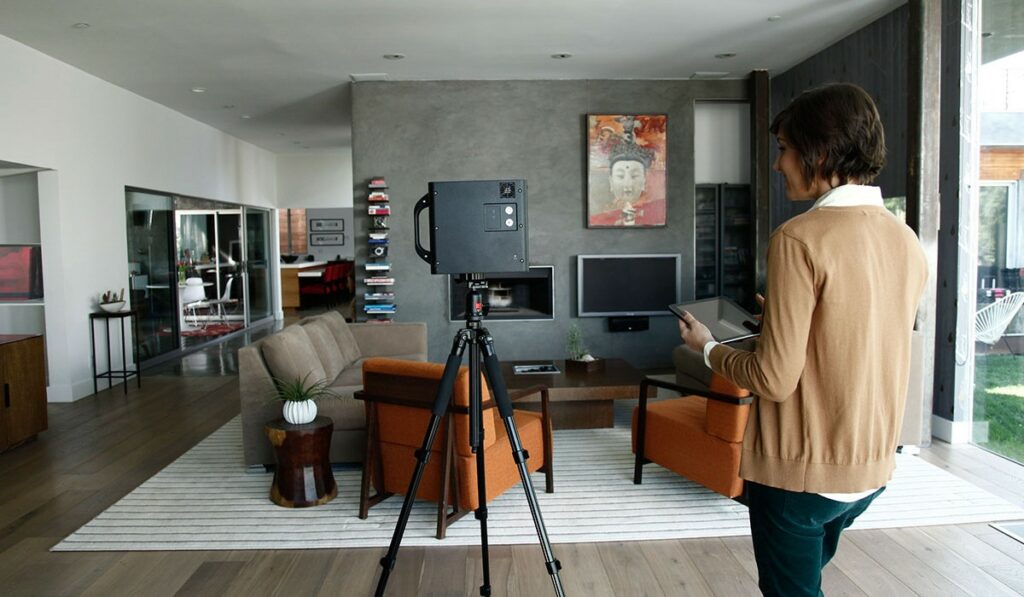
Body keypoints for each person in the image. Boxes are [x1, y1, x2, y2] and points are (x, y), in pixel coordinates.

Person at [678, 82, 928, 597]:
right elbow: (858, 336)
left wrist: (707, 347)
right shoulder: (904, 238)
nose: (778, 164)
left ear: (820, 151)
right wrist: (780, 324)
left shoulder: (798, 238)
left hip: (800, 474)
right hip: (870, 469)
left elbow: (772, 379)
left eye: (785, 149)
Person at [589, 143, 666, 227]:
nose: (627, 184)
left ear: (644, 181)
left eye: (634, 176)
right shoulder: (597, 219)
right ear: (611, 182)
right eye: (620, 176)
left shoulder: (656, 216)